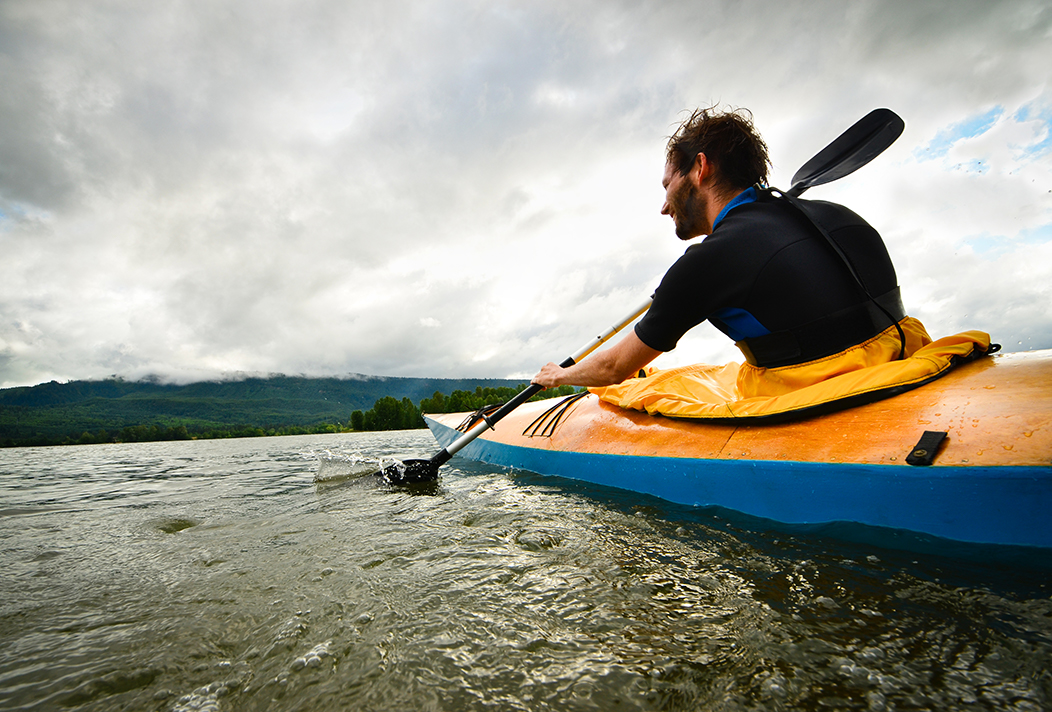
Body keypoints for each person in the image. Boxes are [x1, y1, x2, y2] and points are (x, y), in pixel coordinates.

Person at [531, 106, 906, 392]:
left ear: (700, 167)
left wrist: (561, 375)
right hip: (909, 366)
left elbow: (615, 368)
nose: (664, 206)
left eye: (667, 186)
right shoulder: (838, 217)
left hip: (831, 402)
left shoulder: (707, 262)